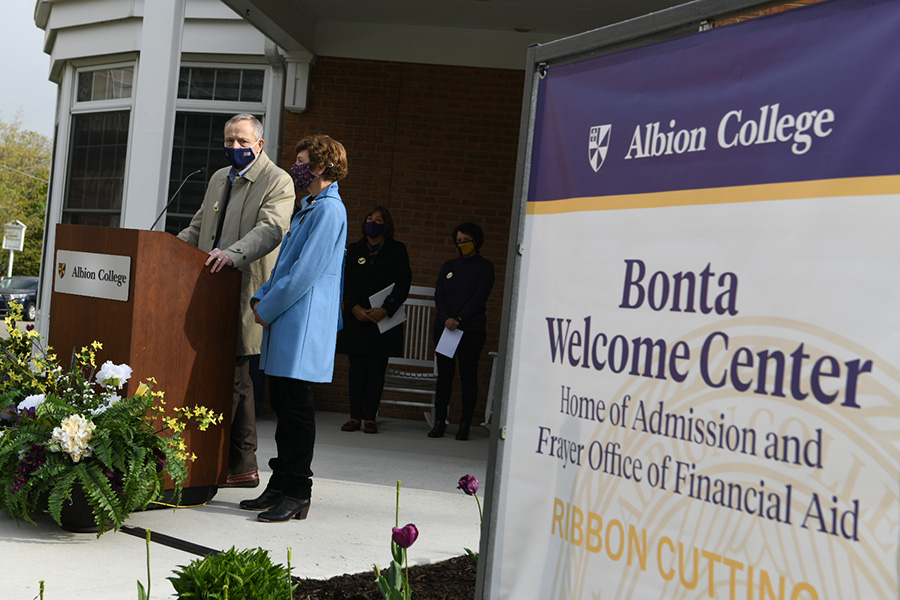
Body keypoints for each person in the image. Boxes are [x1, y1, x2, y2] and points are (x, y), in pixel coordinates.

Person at [177, 113, 293, 488]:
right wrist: (158, 251)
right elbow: (198, 227)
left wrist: (232, 254)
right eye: (229, 141)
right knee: (222, 377)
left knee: (237, 378)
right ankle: (227, 461)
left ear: (260, 144)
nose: (235, 148)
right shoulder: (216, 178)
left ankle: (240, 462)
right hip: (208, 291)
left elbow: (272, 230)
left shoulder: (278, 181)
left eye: (243, 142)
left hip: (243, 289)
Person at [239, 134, 349, 522]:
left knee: (297, 411)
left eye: (302, 161)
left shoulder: (328, 211)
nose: (296, 167)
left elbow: (304, 273)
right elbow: (284, 263)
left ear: (321, 166)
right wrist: (262, 295)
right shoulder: (309, 208)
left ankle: (299, 490)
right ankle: (281, 483)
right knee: (284, 409)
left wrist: (266, 306)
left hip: (301, 323)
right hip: (286, 318)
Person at [336, 206, 412, 434]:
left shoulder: (397, 250)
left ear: (386, 225)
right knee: (356, 369)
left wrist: (386, 309)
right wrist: (354, 308)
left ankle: (371, 418)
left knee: (377, 369)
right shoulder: (354, 249)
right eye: (369, 218)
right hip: (357, 319)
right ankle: (354, 417)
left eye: (378, 220)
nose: (373, 222)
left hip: (383, 320)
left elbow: (403, 282)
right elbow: (345, 283)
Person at [429, 222, 494, 441]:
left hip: (471, 329)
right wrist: (447, 317)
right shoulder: (449, 266)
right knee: (444, 376)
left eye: (466, 240)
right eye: (459, 241)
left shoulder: (485, 267)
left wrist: (459, 318)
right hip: (445, 328)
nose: (462, 245)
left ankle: (465, 423)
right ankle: (440, 421)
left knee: (468, 375)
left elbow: (480, 296)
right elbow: (440, 295)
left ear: (476, 240)